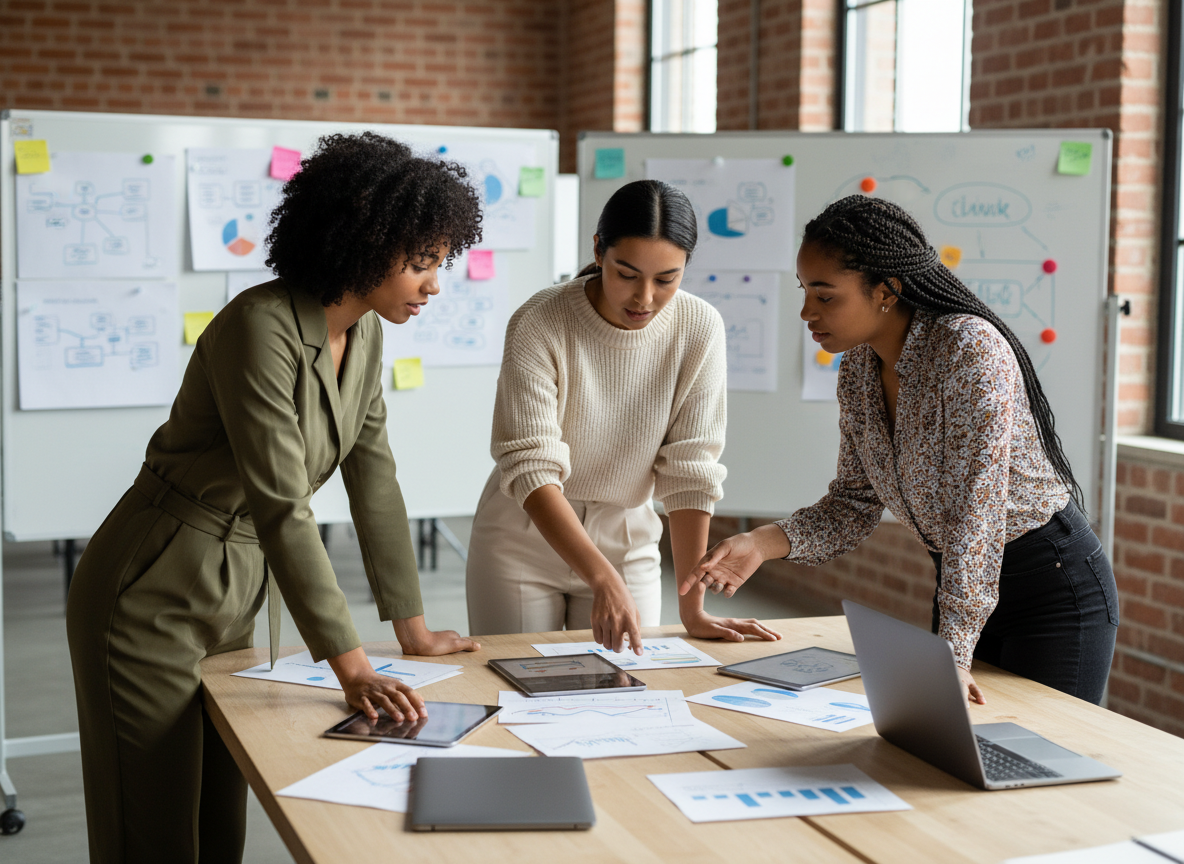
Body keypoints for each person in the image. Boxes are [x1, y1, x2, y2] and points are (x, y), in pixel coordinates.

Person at [65, 132, 483, 864]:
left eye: (440, 263)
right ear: (363, 240)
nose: (434, 284)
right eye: (421, 263)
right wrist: (351, 663)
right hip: (150, 587)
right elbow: (282, 501)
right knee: (154, 832)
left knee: (219, 824)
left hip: (235, 591)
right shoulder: (259, 328)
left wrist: (411, 629)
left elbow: (373, 472)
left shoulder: (364, 335)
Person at [683, 195, 1118, 705]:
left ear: (886, 291)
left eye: (825, 296)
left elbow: (974, 520)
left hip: (1052, 591)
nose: (806, 312)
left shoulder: (969, 351)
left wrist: (952, 655)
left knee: (1041, 760)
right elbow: (853, 502)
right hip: (964, 585)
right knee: (952, 753)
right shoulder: (858, 368)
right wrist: (762, 542)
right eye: (805, 291)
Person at [466, 180, 782, 651]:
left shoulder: (699, 328)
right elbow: (531, 464)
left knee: (621, 693)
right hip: (524, 537)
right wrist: (601, 578)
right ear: (599, 251)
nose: (645, 298)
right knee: (521, 694)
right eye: (627, 274)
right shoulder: (539, 320)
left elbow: (690, 468)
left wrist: (692, 609)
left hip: (629, 538)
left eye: (666, 279)